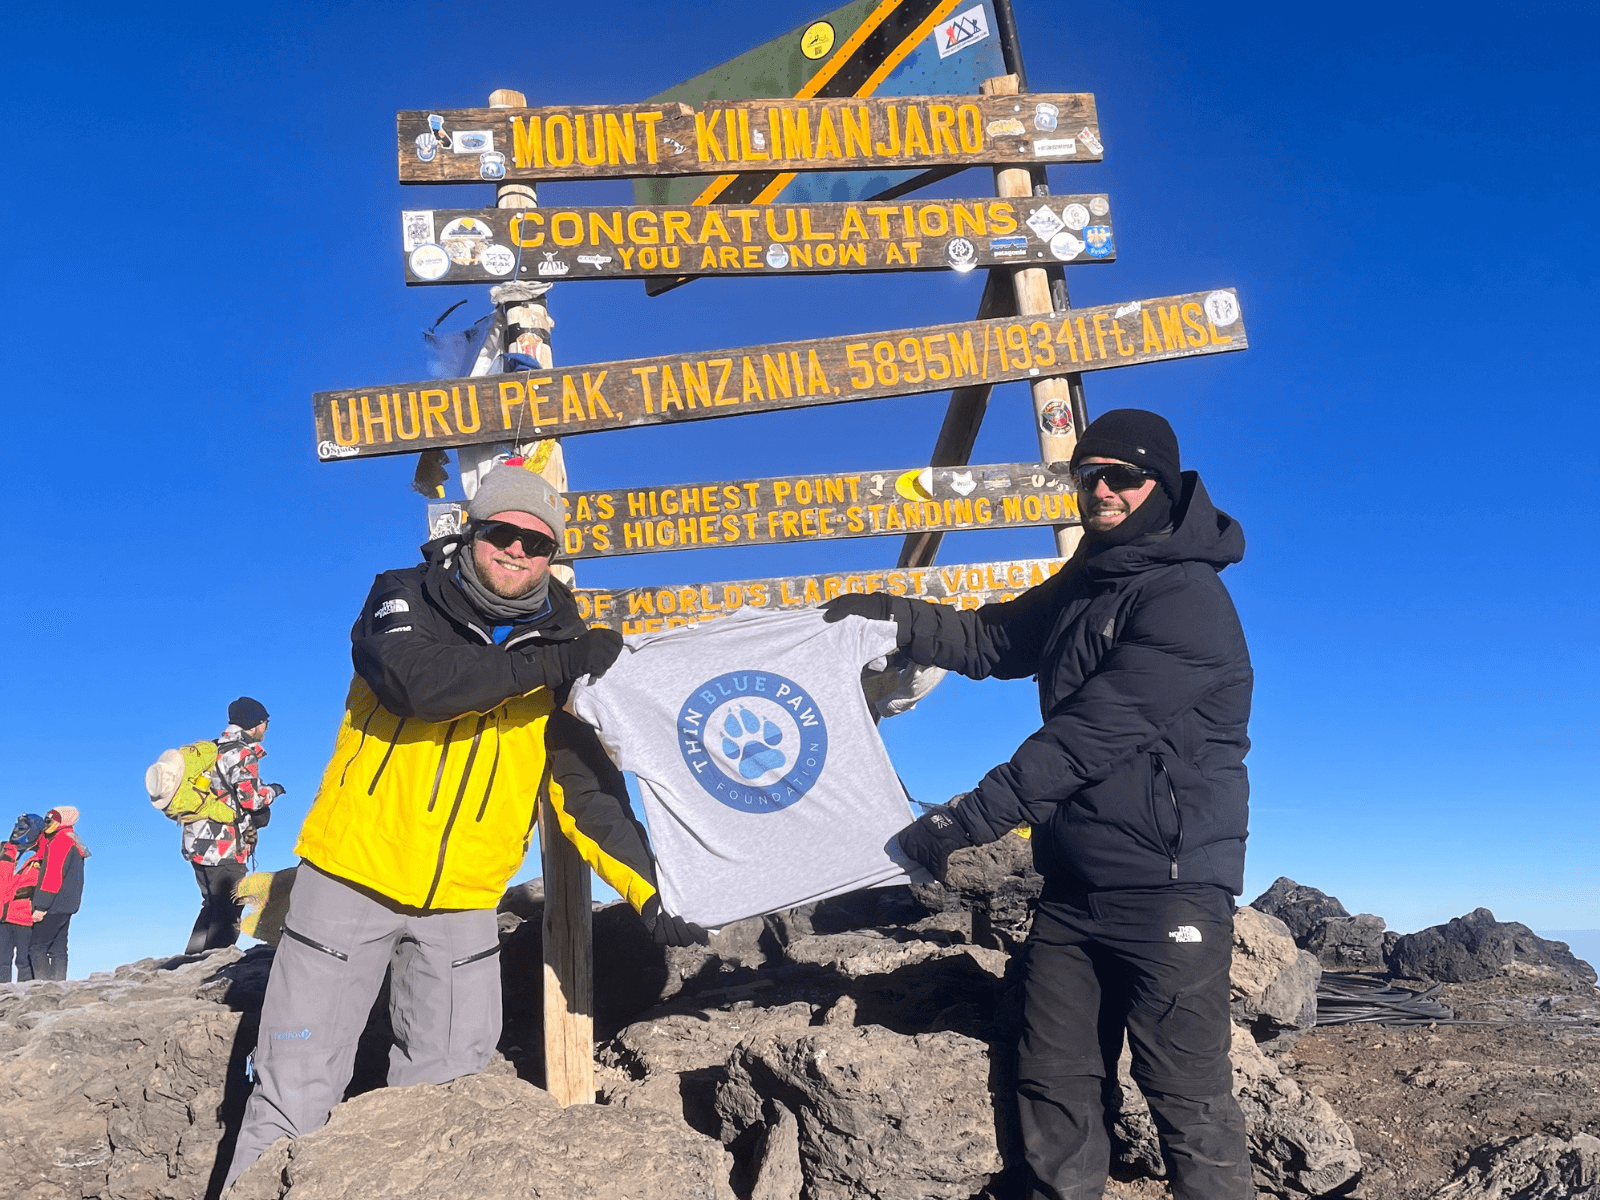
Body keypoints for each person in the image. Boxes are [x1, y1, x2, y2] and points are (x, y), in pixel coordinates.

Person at [224, 463, 703, 1189]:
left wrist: (654, 896)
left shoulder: (560, 652)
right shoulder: (403, 599)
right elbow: (423, 685)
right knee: (292, 1099)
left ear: (551, 557)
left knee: (447, 1108)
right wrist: (556, 661)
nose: (518, 551)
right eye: (503, 533)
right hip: (347, 882)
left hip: (463, 910)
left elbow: (586, 794)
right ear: (472, 533)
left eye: (537, 544)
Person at [825, 409, 1254, 1200]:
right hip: (1072, 890)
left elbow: (1086, 740)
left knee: (1188, 1102)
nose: (1101, 491)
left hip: (1170, 891)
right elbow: (993, 642)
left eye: (1121, 476)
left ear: (1161, 484)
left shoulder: (1187, 598)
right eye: (1086, 477)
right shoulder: (1090, 580)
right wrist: (893, 618)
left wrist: (961, 822)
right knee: (1054, 1082)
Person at [185, 697, 285, 954]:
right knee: (229, 911)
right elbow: (250, 800)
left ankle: (189, 961)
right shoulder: (241, 752)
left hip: (196, 842)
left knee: (211, 905)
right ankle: (211, 967)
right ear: (254, 725)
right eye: (265, 723)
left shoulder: (212, 749)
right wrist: (273, 791)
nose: (267, 728)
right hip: (224, 846)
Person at [29, 807, 91, 981]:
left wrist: (41, 906)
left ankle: (44, 987)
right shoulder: (73, 840)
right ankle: (60, 986)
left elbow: (52, 875)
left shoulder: (60, 841)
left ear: (62, 821)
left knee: (36, 947)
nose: (47, 822)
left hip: (53, 904)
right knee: (58, 950)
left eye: (51, 819)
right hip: (68, 904)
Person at [0, 814, 45, 982]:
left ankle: (25, 997)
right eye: (17, 826)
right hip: (2, 915)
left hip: (25, 915)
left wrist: (42, 908)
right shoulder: (4, 849)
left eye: (22, 827)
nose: (16, 830)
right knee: (2, 960)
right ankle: (3, 998)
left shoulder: (41, 856)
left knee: (24, 960)